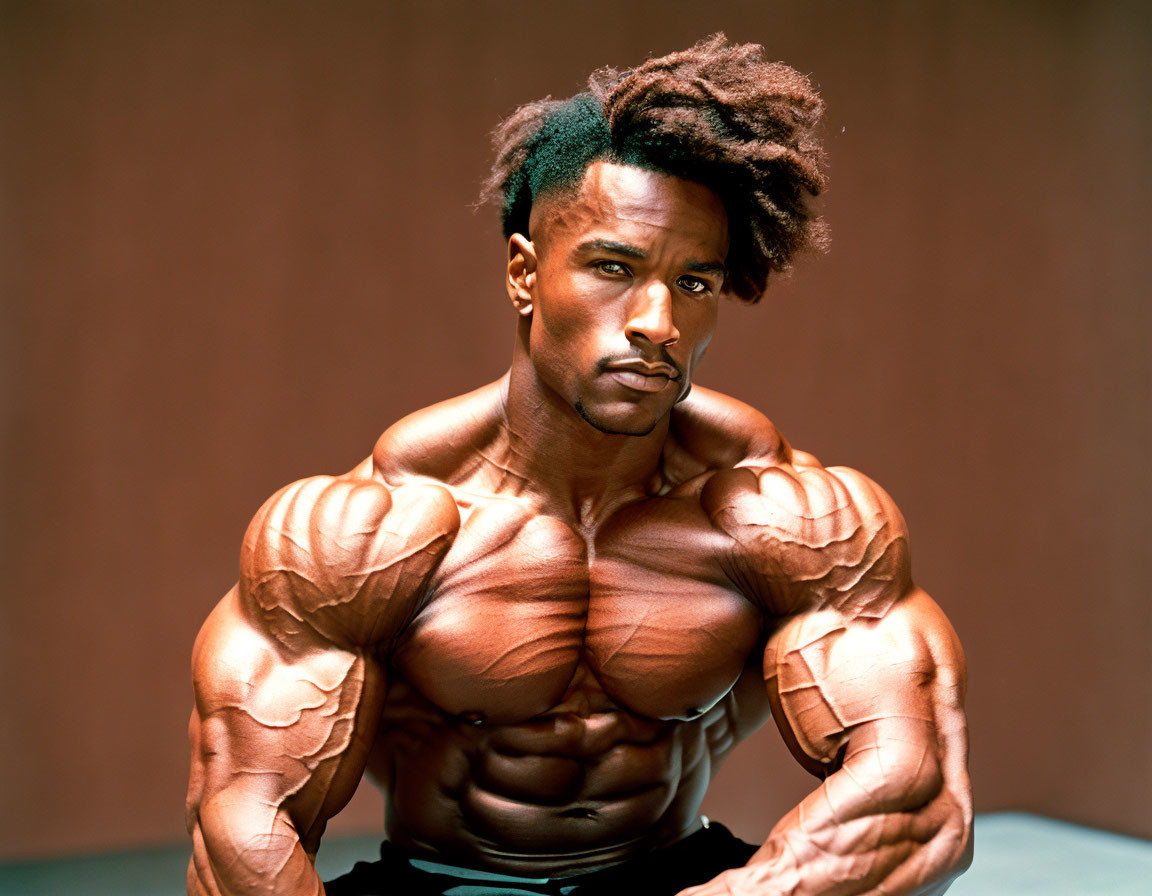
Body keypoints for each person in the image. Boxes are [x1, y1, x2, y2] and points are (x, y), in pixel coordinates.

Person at [186, 35, 971, 896]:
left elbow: (916, 800)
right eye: (612, 268)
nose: (656, 323)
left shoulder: (789, 519)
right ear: (525, 274)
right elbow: (242, 825)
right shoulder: (368, 532)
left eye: (695, 284)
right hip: (448, 886)